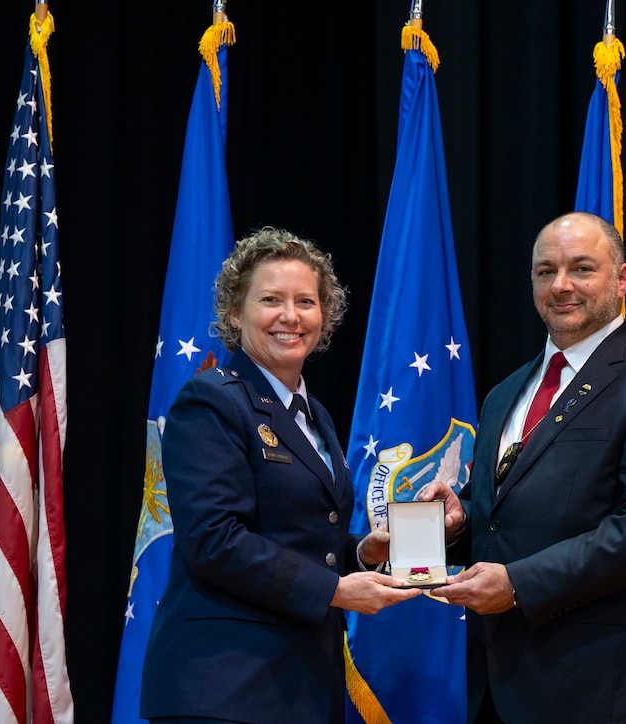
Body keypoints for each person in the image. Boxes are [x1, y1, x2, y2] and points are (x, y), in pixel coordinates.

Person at [417, 211, 626, 723]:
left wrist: (517, 585)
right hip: (498, 688)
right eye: (546, 271)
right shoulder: (504, 394)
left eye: (582, 269)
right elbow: (506, 521)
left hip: (607, 690)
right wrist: (461, 522)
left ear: (622, 279)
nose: (562, 285)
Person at [140, 227, 421, 723]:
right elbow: (215, 540)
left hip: (299, 686)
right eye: (271, 299)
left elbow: (301, 535)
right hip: (224, 687)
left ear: (324, 316)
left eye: (306, 302)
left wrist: (362, 551)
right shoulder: (211, 401)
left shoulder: (313, 415)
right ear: (234, 312)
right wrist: (335, 590)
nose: (290, 316)